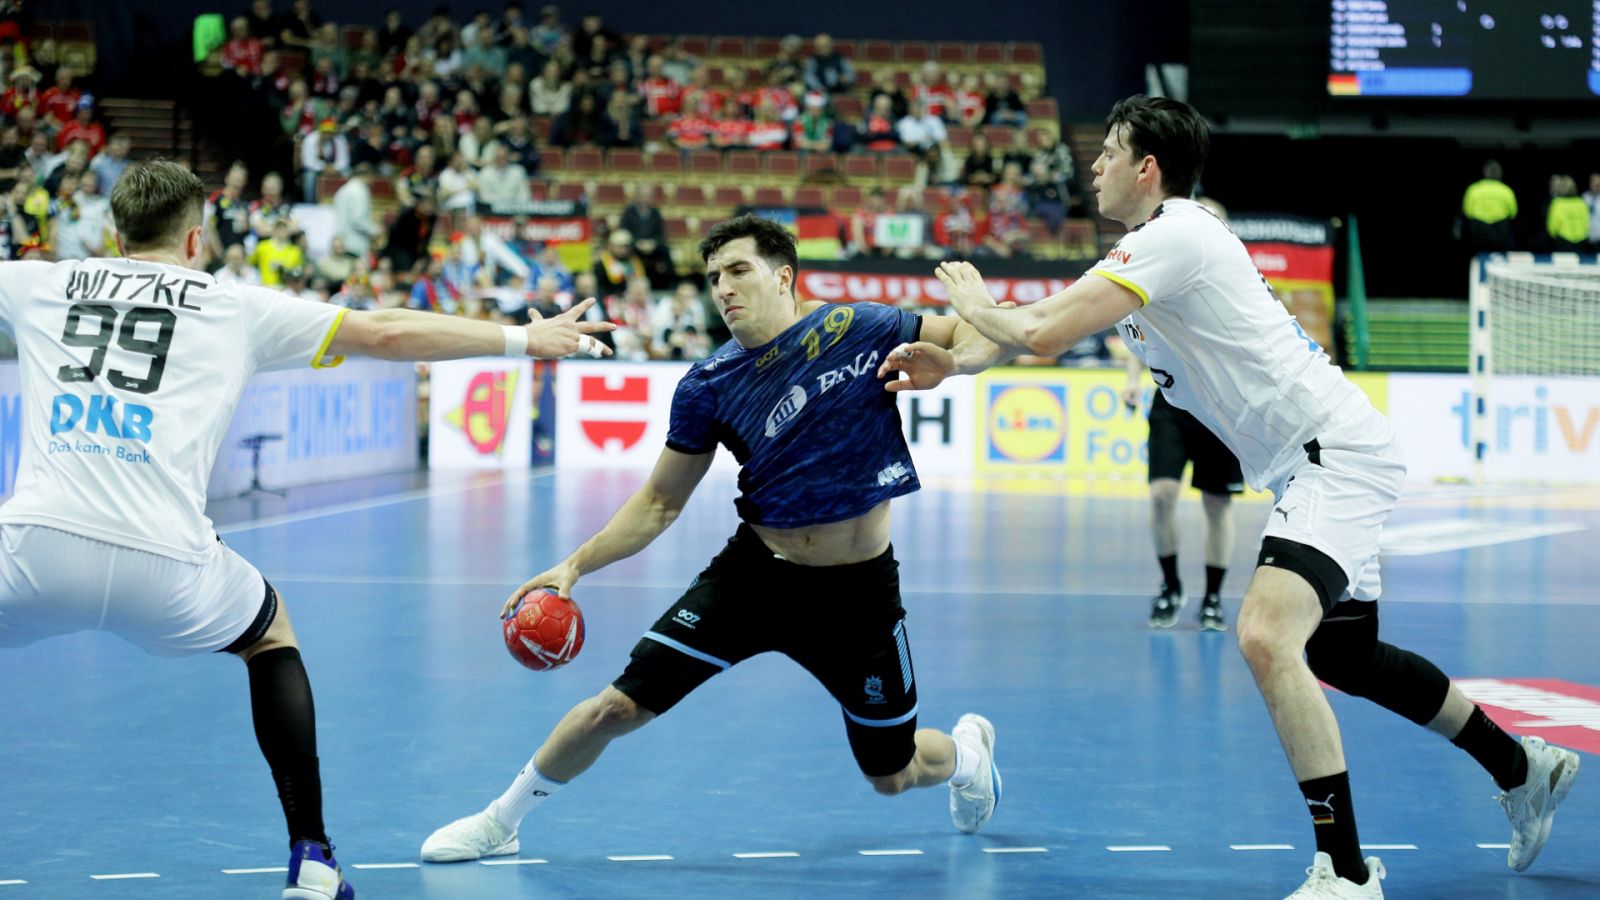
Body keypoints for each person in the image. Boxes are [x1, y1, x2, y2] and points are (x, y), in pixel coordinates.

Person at [922, 96, 1580, 898]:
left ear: (1147, 167)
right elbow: (1031, 324)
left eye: (1108, 152)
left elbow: (1041, 332)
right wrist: (955, 363)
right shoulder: (1146, 251)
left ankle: (1343, 873)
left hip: (1331, 456)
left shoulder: (1179, 234)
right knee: (1344, 654)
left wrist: (972, 302)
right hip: (1314, 460)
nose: (1092, 166)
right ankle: (1523, 767)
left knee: (1267, 636)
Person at [0, 159, 614, 900]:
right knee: (269, 635)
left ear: (114, 231)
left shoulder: (36, 283)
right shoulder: (233, 305)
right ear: (196, 238)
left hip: (31, 544)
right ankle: (313, 858)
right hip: (166, 561)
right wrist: (525, 340)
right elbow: (385, 332)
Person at [420, 215, 1010, 864]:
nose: (722, 288)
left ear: (784, 276)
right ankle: (500, 822)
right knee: (614, 709)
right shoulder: (709, 384)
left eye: (738, 271)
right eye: (712, 278)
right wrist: (574, 565)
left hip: (858, 594)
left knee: (891, 774)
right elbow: (659, 502)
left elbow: (980, 330)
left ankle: (967, 757)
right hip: (756, 578)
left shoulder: (859, 329)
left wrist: (953, 363)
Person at [1122, 359, 1240, 630]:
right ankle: (1171, 587)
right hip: (1170, 401)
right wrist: (1132, 381)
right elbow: (1139, 338)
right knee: (1162, 495)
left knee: (1217, 503)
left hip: (1219, 408)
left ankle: (1212, 597)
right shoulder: (1154, 313)